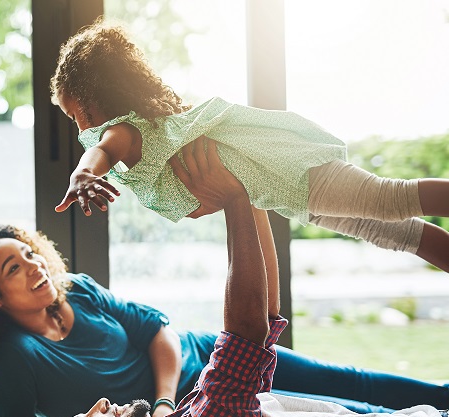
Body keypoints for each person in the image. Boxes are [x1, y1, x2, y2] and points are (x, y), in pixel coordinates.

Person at [0, 138, 449, 417]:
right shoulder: (11, 358)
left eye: (30, 253)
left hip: (210, 360)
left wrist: (164, 400)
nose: (36, 265)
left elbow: (158, 331)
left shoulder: (76, 289)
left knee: (352, 382)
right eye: (15, 268)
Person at [45, 156, 449, 417]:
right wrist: (233, 201)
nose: (98, 404)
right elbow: (246, 333)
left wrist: (249, 193)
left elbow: (265, 318)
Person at [50, 19, 449, 273]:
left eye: (74, 116)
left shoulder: (125, 132)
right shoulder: (154, 132)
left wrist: (83, 174)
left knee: (389, 199)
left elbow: (99, 152)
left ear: (88, 101)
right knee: (395, 233)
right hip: (286, 190)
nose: (79, 128)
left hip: (290, 171)